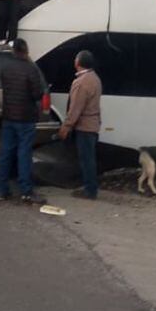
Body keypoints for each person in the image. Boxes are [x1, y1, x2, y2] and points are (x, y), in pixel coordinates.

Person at [0, 38, 47, 204]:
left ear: (13, 51)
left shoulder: (6, 68)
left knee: (5, 153)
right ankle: (26, 191)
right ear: (25, 50)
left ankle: (2, 190)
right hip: (25, 118)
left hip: (8, 116)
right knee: (24, 154)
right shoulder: (30, 69)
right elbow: (37, 93)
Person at [58, 50, 102, 199]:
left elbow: (76, 108)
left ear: (78, 63)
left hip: (84, 126)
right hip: (93, 125)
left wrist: (66, 127)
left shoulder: (81, 82)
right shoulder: (95, 78)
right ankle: (90, 188)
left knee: (86, 160)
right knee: (89, 158)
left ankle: (89, 191)